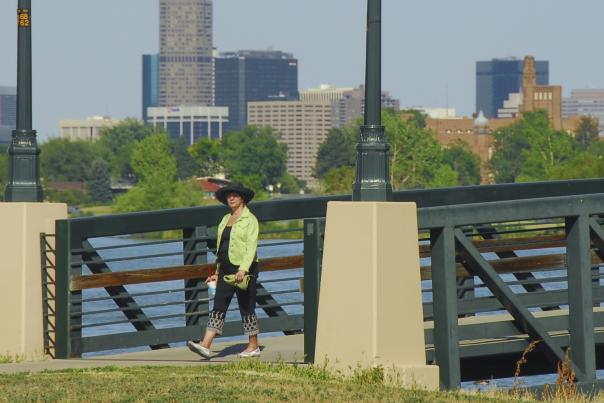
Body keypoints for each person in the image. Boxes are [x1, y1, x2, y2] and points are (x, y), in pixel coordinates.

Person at [187, 183, 261, 359]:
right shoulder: (225, 219)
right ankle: (205, 345)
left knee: (246, 308)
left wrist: (243, 269)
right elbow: (222, 247)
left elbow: (251, 247)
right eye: (229, 196)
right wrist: (217, 272)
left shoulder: (250, 220)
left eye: (235, 195)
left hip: (244, 270)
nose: (231, 198)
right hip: (226, 268)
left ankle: (253, 345)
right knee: (219, 306)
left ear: (242, 198)